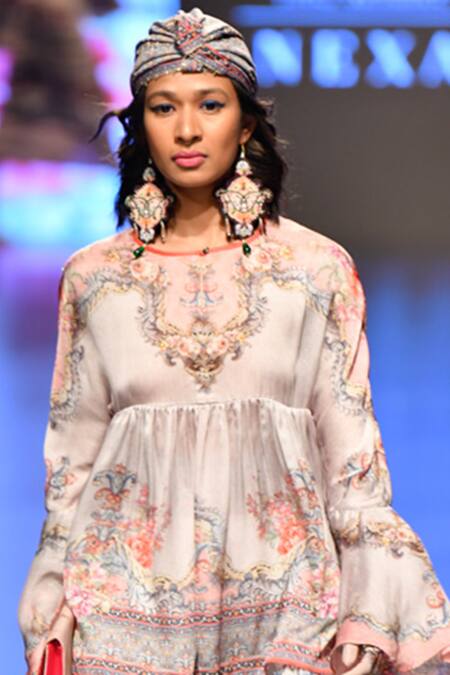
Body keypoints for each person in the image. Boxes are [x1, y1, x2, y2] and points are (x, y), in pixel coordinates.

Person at [17, 7, 450, 675]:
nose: (187, 129)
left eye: (210, 105)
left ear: (245, 124)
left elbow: (353, 465)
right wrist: (49, 602)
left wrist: (372, 604)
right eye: (164, 107)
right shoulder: (95, 279)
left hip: (287, 607)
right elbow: (70, 467)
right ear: (141, 123)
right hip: (120, 616)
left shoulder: (315, 271)